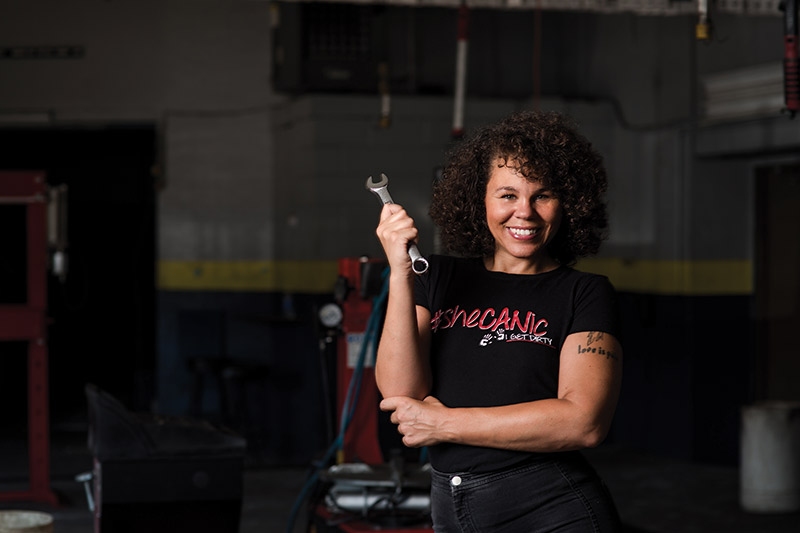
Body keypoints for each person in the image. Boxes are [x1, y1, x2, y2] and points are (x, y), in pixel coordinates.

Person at [373, 109, 624, 532]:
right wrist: (399, 271)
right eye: (507, 195)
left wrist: (443, 423)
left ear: (569, 205)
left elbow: (584, 423)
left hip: (553, 509)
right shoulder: (434, 277)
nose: (524, 212)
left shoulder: (585, 293)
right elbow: (400, 393)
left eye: (542, 195)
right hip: (450, 506)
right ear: (480, 201)